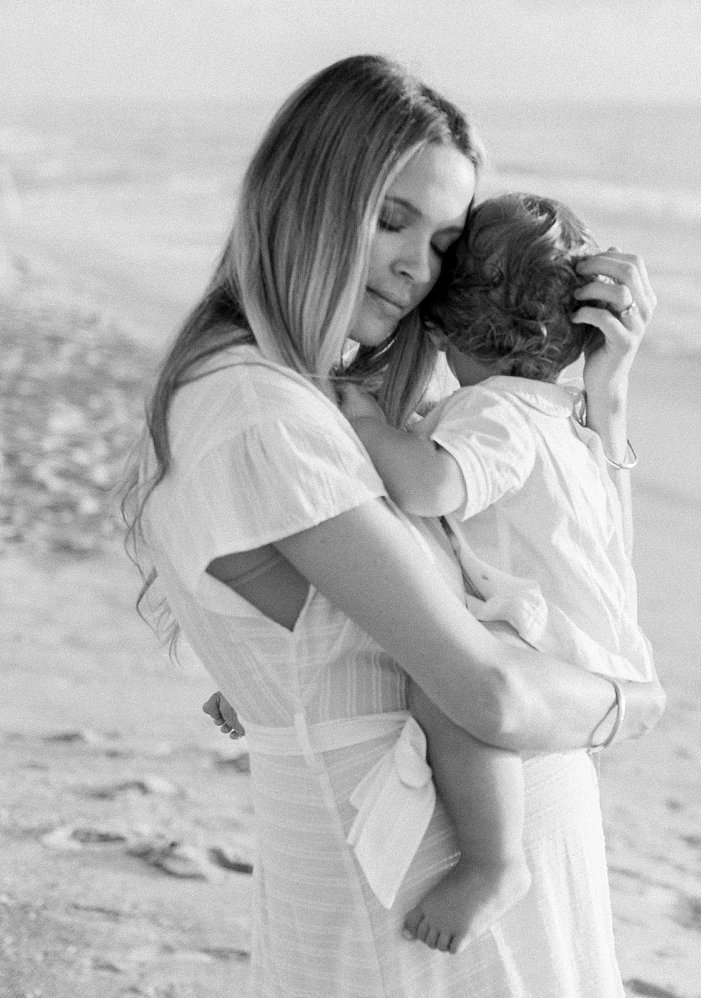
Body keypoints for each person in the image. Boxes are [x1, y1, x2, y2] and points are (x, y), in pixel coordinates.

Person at [119, 54, 663, 997]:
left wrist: (604, 403)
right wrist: (628, 702)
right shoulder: (266, 418)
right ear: (306, 201)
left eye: (446, 243)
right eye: (390, 219)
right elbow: (488, 694)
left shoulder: (289, 398)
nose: (418, 268)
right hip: (420, 897)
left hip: (433, 871)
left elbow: (569, 559)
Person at [336, 191, 655, 954]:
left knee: (454, 684)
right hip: (591, 646)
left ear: (444, 327)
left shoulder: (500, 414)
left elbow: (426, 488)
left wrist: (366, 423)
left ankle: (492, 862)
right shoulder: (561, 417)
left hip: (547, 650)